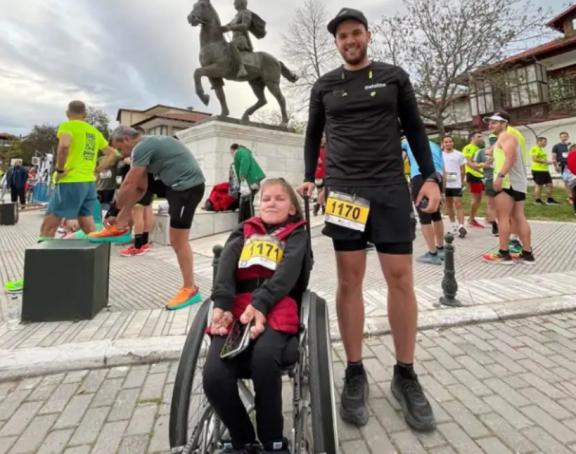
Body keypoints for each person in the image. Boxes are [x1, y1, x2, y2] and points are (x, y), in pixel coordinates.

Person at [299, 8, 439, 431]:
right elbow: (312, 133)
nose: (350, 40)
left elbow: (415, 128)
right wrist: (310, 178)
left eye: (355, 33)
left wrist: (429, 177)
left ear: (367, 35)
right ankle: (355, 371)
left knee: (401, 280)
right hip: (344, 191)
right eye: (342, 36)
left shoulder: (394, 77)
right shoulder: (325, 85)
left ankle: (405, 373)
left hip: (390, 189)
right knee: (349, 281)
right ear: (336, 42)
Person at [203, 178, 307, 454]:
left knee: (264, 360)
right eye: (266, 198)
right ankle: (244, 439)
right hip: (238, 308)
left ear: (293, 208)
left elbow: (288, 272)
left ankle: (273, 440)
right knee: (214, 377)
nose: (271, 202)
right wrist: (222, 303)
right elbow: (226, 264)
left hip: (277, 304)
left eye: (279, 198)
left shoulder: (297, 234)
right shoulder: (244, 230)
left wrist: (262, 302)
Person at [89, 127, 206, 310]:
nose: (120, 153)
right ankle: (120, 227)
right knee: (138, 186)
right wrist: (119, 213)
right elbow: (140, 188)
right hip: (173, 185)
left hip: (187, 189)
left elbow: (129, 183)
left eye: (119, 148)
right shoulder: (147, 145)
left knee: (178, 241)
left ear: (126, 139)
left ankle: (190, 289)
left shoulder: (141, 147)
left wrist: (113, 210)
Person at [38, 100, 117, 241]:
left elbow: (64, 146)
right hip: (89, 183)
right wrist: (98, 170)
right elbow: (113, 153)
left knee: (49, 225)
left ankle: (42, 253)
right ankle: (95, 249)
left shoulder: (68, 126)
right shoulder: (94, 132)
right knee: (87, 223)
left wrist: (60, 170)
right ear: (85, 115)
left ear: (67, 113)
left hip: (71, 180)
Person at [481, 113, 534, 265]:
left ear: (504, 123)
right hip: (518, 182)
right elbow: (505, 156)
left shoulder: (506, 136)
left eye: (494, 123)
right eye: (489, 123)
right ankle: (527, 254)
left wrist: (500, 176)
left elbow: (511, 158)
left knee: (503, 217)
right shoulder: (506, 138)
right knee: (518, 216)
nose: (490, 125)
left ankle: (504, 254)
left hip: (507, 182)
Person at [404, 140, 446, 264]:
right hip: (437, 177)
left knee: (424, 217)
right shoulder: (435, 146)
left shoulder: (406, 141)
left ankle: (432, 254)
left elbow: (399, 158)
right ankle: (440, 248)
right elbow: (444, 169)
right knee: (436, 215)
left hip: (420, 176)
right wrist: (443, 192)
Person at [223, 0, 264, 78]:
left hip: (241, 39)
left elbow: (245, 25)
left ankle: (242, 68)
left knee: (231, 45)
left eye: (235, 2)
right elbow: (228, 25)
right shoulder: (236, 16)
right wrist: (217, 28)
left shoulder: (246, 12)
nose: (234, 4)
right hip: (235, 39)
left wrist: (231, 28)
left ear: (240, 3)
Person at [231, 143, 265, 223]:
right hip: (252, 180)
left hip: (249, 180)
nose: (231, 155)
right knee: (247, 201)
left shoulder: (240, 152)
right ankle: (246, 222)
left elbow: (245, 161)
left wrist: (242, 175)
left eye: (231, 152)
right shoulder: (244, 152)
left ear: (233, 150)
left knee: (247, 202)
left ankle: (248, 222)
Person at [441, 136, 467, 238]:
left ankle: (461, 226)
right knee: (449, 205)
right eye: (446, 142)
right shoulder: (440, 155)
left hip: (456, 184)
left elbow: (463, 170)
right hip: (445, 184)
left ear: (453, 143)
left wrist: (461, 182)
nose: (448, 143)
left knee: (458, 203)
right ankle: (453, 226)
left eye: (450, 141)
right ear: (443, 144)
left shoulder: (459, 154)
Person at [462, 132, 485, 228]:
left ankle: (472, 218)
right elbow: (469, 163)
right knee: (476, 198)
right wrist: (481, 167)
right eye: (478, 136)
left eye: (481, 136)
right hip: (472, 175)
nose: (481, 138)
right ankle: (471, 220)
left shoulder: (478, 149)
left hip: (480, 175)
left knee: (479, 198)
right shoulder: (468, 148)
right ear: (472, 138)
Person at [530, 137, 559, 205]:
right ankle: (537, 201)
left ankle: (549, 200)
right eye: (544, 142)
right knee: (539, 185)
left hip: (545, 170)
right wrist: (546, 162)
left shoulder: (541, 149)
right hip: (537, 170)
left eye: (546, 142)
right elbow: (534, 159)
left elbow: (542, 160)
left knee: (550, 185)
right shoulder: (534, 148)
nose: (546, 143)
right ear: (539, 142)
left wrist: (550, 162)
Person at [552, 131, 572, 203]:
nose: (564, 138)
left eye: (565, 136)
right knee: (566, 181)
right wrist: (555, 166)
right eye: (563, 136)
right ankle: (570, 197)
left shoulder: (571, 145)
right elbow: (554, 157)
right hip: (563, 165)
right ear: (560, 137)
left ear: (568, 137)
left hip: (572, 165)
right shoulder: (556, 146)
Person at [313, 136, 327, 216]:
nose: (324, 139)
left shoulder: (325, 149)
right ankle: (318, 206)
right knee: (322, 193)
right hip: (320, 174)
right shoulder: (318, 150)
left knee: (320, 194)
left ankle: (322, 208)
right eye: (323, 137)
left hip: (322, 174)